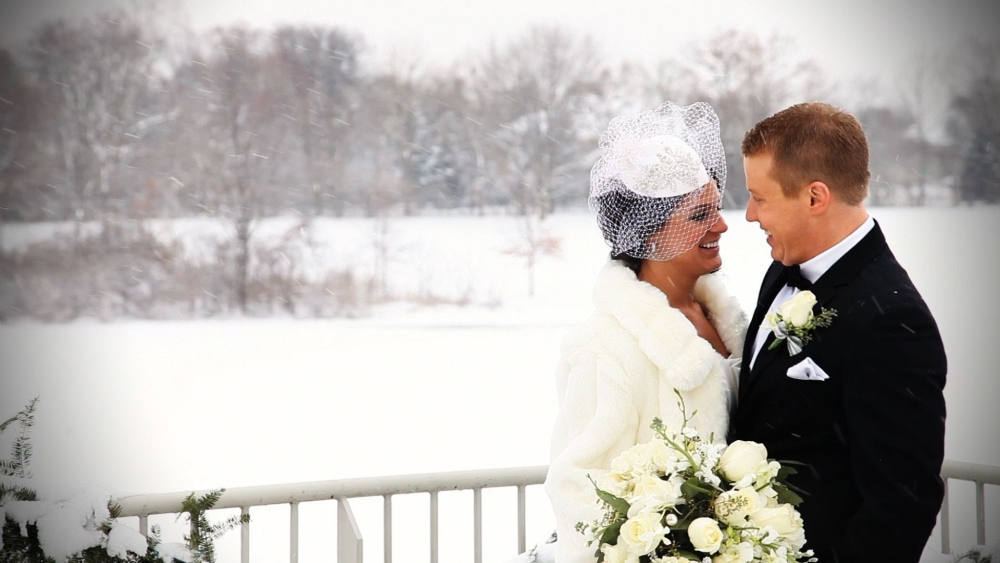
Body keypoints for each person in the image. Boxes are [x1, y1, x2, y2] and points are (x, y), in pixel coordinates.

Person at [728, 102, 947, 563]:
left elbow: (901, 503)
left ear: (815, 197)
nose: (749, 215)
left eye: (760, 197)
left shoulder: (890, 319)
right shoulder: (782, 269)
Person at [539, 101, 748, 563]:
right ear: (649, 236)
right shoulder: (604, 349)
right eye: (699, 216)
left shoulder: (733, 323)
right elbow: (578, 490)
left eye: (717, 208)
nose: (722, 224)